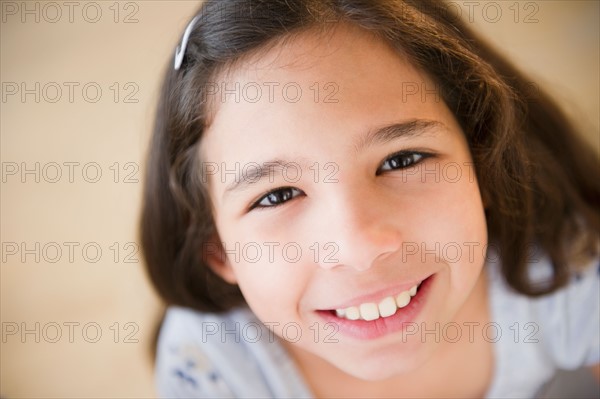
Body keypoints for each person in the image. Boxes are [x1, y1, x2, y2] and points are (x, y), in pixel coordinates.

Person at [140, 0, 600, 397]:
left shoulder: (566, 269)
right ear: (217, 249)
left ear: (483, 164)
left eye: (402, 160)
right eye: (277, 195)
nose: (359, 248)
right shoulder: (212, 364)